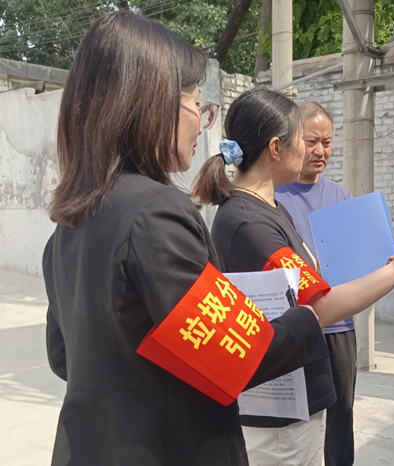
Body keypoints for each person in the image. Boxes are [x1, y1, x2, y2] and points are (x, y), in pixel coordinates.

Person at [43, 11, 329, 466]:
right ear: (153, 103)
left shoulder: (71, 221)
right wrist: (306, 321)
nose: (202, 123)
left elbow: (63, 357)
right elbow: (236, 357)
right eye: (198, 103)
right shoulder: (156, 213)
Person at [192, 88, 394, 466]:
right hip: (279, 416)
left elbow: (315, 279)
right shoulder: (251, 223)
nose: (313, 150)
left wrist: (391, 261)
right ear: (276, 148)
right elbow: (319, 307)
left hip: (293, 393)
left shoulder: (269, 208)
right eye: (304, 139)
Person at [275, 102, 356, 466]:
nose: (320, 150)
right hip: (295, 322)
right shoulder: (275, 196)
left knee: (342, 414)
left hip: (339, 323)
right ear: (294, 139)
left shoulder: (341, 197)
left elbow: (355, 261)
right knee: (299, 422)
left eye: (327, 141)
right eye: (312, 141)